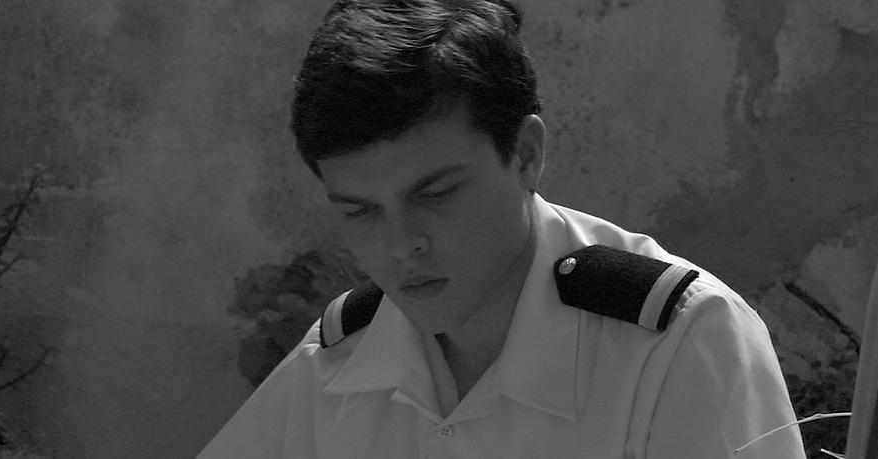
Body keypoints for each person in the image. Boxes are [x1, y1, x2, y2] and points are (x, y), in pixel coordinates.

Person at [197, 0, 805, 457]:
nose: (401, 243)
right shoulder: (338, 361)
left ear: (525, 154)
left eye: (435, 193)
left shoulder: (678, 345)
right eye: (360, 211)